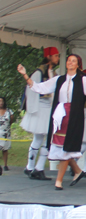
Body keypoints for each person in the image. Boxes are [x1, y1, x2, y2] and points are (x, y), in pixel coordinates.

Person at [17, 54, 86, 190]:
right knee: (60, 146)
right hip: (60, 115)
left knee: (67, 148)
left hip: (74, 116)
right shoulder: (58, 79)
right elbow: (39, 88)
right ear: (66, 64)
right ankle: (77, 171)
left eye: (74, 61)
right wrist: (25, 75)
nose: (71, 63)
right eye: (69, 61)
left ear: (78, 65)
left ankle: (58, 181)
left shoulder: (83, 80)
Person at [20, 46, 59, 180]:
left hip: (48, 108)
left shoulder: (52, 73)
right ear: (49, 56)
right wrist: (33, 109)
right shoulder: (39, 72)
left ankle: (35, 167)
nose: (57, 58)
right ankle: (34, 167)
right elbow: (30, 89)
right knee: (41, 139)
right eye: (56, 55)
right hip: (41, 108)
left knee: (45, 140)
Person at [0, 97, 14, 175]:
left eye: (2, 101)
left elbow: (11, 120)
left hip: (6, 132)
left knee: (5, 149)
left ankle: (5, 165)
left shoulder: (9, 111)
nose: (1, 103)